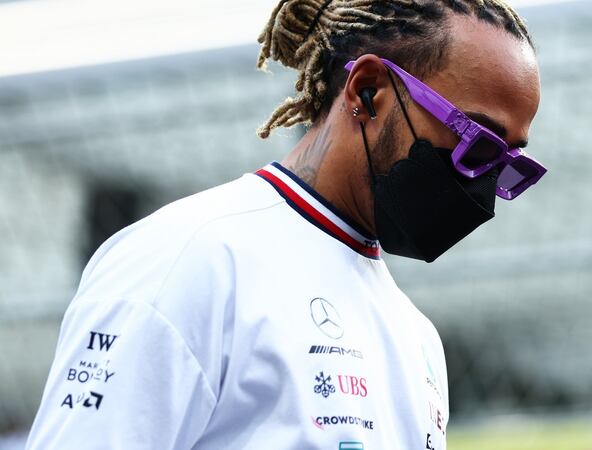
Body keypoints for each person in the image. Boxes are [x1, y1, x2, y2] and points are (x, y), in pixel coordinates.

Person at [26, 0, 544, 448]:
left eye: (508, 165)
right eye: (478, 145)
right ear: (367, 91)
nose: (484, 183)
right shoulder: (188, 257)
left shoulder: (418, 337)